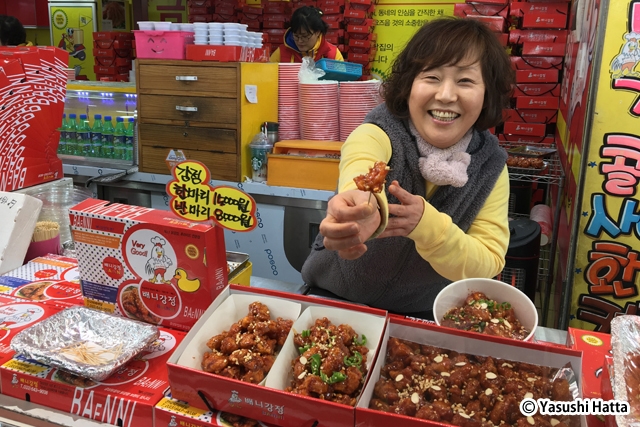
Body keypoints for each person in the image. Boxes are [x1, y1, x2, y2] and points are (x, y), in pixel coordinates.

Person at [301, 17, 514, 320]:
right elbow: (361, 160)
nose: (446, 95)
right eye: (432, 77)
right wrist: (360, 205)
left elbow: (489, 260)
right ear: (409, 83)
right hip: (332, 301)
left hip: (423, 316)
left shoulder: (491, 166)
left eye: (465, 81)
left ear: (487, 94)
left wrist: (426, 227)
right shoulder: (381, 131)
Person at [270, 6, 343, 63]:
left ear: (317, 32)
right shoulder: (280, 54)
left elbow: (341, 80)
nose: (300, 41)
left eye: (305, 36)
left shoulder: (333, 55)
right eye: (296, 36)